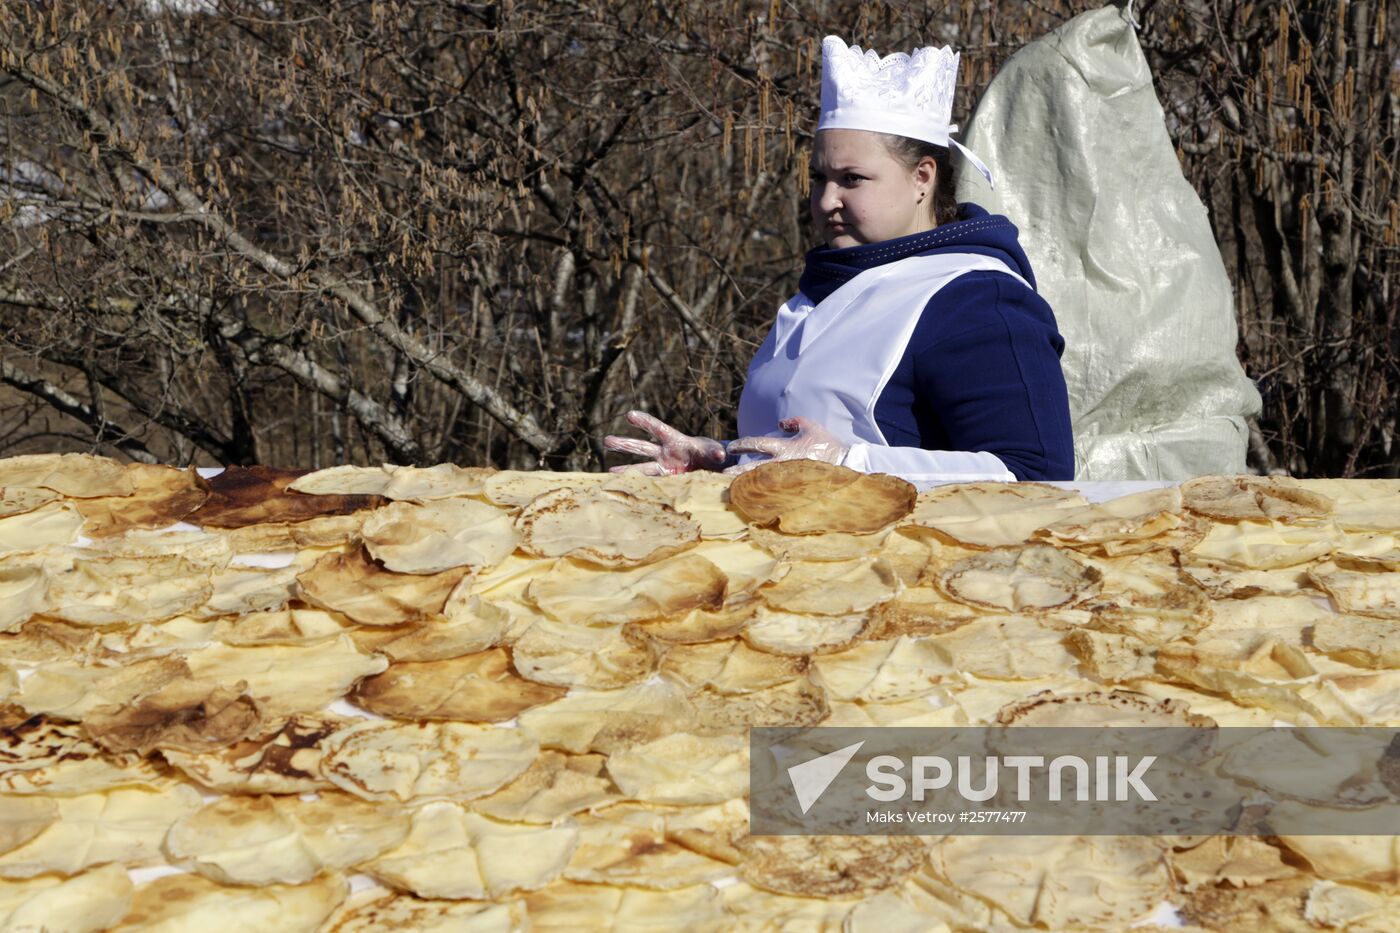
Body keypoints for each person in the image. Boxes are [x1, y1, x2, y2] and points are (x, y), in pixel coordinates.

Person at [604, 36, 1074, 482]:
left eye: (852, 179)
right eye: (819, 178)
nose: (827, 200)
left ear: (922, 178)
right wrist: (725, 459)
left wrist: (848, 463)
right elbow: (807, 451)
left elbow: (1038, 475)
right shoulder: (823, 291)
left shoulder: (977, 299)